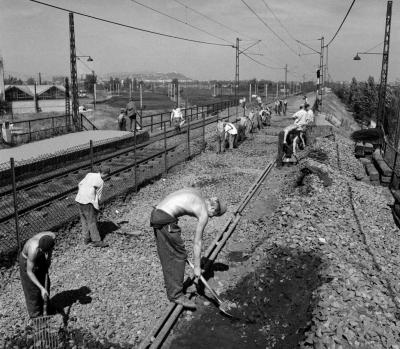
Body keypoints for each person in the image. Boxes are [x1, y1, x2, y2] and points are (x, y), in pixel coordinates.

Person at [150, 188, 227, 309]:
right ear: (212, 209)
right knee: (179, 256)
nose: (211, 217)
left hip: (157, 212)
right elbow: (197, 242)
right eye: (214, 215)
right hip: (165, 218)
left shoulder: (198, 194)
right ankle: (176, 295)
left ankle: (173, 289)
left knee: (169, 253)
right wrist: (197, 267)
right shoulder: (204, 212)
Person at [19, 232, 56, 318]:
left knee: (45, 282)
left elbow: (50, 249)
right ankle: (36, 316)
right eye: (42, 251)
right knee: (32, 289)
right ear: (40, 248)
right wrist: (41, 288)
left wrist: (48, 259)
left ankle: (47, 308)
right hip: (27, 261)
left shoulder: (52, 237)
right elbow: (29, 272)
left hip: (40, 257)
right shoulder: (33, 250)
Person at [75, 166, 111, 247]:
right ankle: (96, 241)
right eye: (107, 175)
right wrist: (97, 207)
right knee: (92, 222)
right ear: (105, 174)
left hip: (79, 199)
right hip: (88, 202)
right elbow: (98, 197)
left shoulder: (89, 174)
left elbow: (80, 184)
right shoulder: (101, 182)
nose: (107, 177)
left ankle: (86, 239)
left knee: (84, 220)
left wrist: (83, 193)